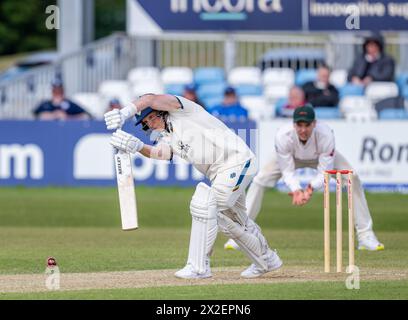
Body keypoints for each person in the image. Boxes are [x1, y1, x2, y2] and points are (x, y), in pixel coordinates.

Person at [104, 94, 282, 279]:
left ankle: (199, 267)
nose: (151, 123)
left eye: (152, 117)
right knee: (235, 220)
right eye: (146, 121)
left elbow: (150, 98)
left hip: (236, 161)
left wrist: (124, 113)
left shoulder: (183, 110)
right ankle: (267, 259)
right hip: (221, 173)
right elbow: (162, 154)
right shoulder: (167, 135)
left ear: (162, 111)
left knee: (207, 206)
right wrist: (136, 145)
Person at [224, 105, 384, 252]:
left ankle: (365, 236)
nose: (303, 130)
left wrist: (310, 188)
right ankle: (241, 235)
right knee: (259, 180)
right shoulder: (283, 136)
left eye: (307, 125)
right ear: (294, 124)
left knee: (352, 178)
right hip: (291, 156)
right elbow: (287, 171)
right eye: (299, 125)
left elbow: (325, 171)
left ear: (314, 123)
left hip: (318, 157)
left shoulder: (326, 134)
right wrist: (296, 190)